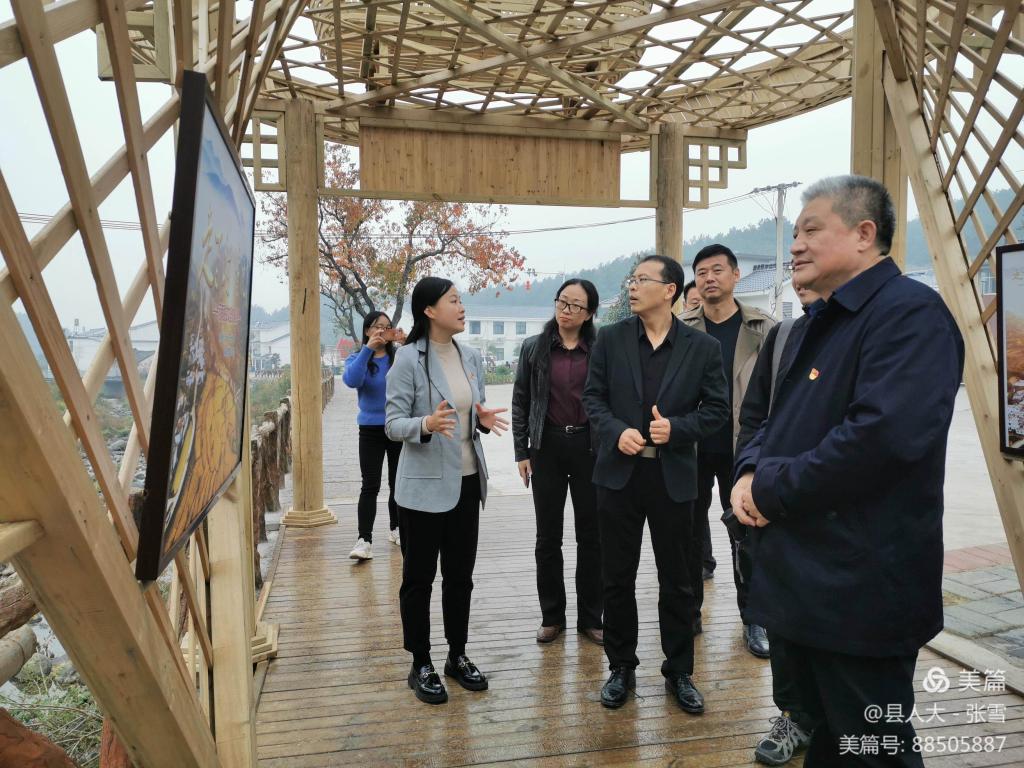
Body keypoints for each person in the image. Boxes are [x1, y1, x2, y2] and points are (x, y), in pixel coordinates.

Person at [732, 176, 965, 767]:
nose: (795, 246)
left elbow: (880, 440)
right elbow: (770, 420)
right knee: (830, 742)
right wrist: (747, 472)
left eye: (811, 230)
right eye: (795, 234)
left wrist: (770, 488)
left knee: (872, 749)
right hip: (804, 585)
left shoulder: (909, 315)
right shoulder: (817, 322)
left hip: (861, 591)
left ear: (865, 234)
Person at [582, 255, 729, 712]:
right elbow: (593, 398)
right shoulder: (610, 339)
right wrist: (615, 431)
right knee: (616, 577)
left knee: (679, 580)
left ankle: (680, 671)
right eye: (632, 279)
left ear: (669, 290)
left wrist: (677, 429)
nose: (632, 286)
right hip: (619, 476)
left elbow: (717, 410)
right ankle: (620, 667)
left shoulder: (702, 347)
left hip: (673, 477)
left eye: (642, 279)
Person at [385, 277, 510, 705]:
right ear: (429, 310)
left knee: (460, 578)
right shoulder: (407, 359)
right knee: (418, 579)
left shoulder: (470, 356)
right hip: (422, 489)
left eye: (461, 300)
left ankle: (457, 655)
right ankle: (421, 662)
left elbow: (471, 411)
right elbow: (392, 424)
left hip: (467, 481)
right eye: (453, 300)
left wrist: (481, 420)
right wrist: (425, 423)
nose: (461, 307)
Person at [735, 283, 821, 766]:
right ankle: (793, 714)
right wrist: (748, 474)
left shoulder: (885, 325)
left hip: (835, 511)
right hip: (776, 507)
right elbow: (755, 417)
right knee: (784, 621)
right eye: (795, 259)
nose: (800, 265)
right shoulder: (786, 334)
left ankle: (837, 721)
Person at [682, 244, 775, 657]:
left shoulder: (763, 328)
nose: (709, 278)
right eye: (701, 272)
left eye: (717, 270)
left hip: (744, 448)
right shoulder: (680, 327)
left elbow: (777, 391)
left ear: (736, 275)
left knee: (748, 532)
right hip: (691, 446)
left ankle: (754, 618)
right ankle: (689, 612)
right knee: (686, 531)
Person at [512, 279, 603, 646]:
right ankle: (552, 616)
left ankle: (591, 618)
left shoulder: (600, 349)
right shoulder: (534, 348)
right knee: (547, 537)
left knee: (592, 537)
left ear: (589, 313)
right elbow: (520, 400)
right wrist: (522, 451)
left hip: (589, 447)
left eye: (575, 305)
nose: (566, 310)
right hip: (546, 446)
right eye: (562, 302)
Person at [343, 311, 404, 560]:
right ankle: (364, 540)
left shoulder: (399, 357)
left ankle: (397, 528)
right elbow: (352, 380)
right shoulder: (357, 358)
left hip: (398, 427)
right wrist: (368, 349)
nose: (383, 331)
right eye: (378, 326)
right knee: (370, 485)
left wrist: (408, 343)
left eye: (387, 327)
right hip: (370, 429)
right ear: (367, 330)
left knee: (398, 483)